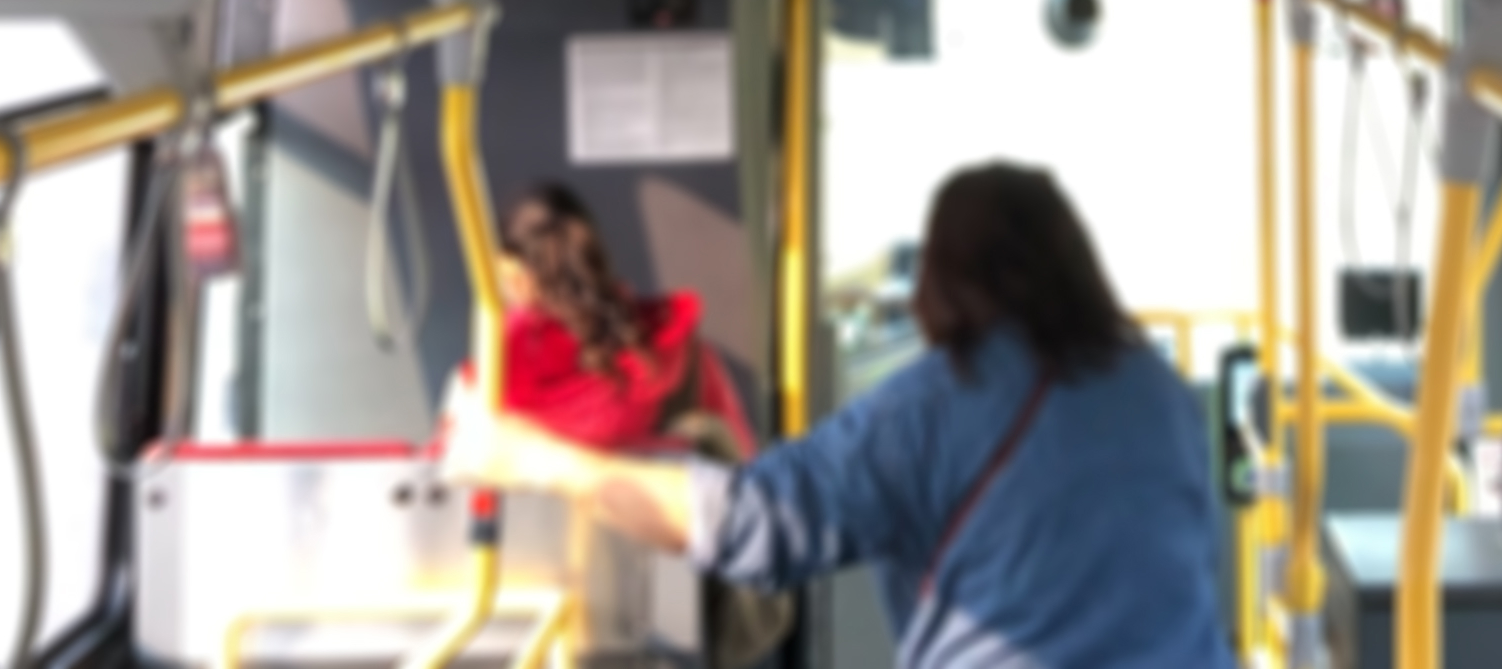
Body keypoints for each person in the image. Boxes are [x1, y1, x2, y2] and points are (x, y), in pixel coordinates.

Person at [450, 163, 1237, 669]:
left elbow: (746, 522)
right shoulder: (1160, 390)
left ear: (941, 278)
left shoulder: (932, 406)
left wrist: (530, 459)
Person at [493, 180, 755, 456]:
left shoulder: (495, 376)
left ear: (514, 276)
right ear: (593, 256)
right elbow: (744, 466)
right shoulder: (686, 356)